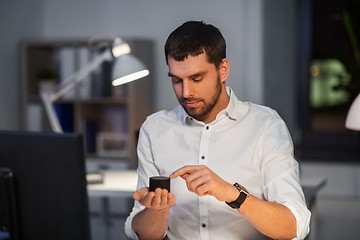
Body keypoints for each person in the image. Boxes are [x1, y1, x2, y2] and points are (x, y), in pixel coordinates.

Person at [125, 21, 311, 240]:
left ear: (222, 70)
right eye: (176, 80)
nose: (186, 92)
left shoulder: (266, 126)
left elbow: (294, 226)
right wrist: (157, 210)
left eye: (196, 78)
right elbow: (146, 234)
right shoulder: (154, 129)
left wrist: (232, 194)